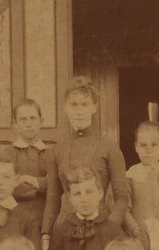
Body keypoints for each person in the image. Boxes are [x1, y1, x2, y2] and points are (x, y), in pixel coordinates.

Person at [42, 77, 134, 240]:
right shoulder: (56, 151)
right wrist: (46, 235)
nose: (79, 111)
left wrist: (108, 228)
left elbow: (121, 198)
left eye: (84, 104)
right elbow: (52, 199)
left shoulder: (110, 148)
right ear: (65, 107)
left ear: (94, 107)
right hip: (65, 228)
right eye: (74, 105)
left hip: (101, 225)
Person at [7, 98, 53, 234]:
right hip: (15, 220)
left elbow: (55, 185)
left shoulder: (51, 154)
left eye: (33, 118)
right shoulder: (8, 153)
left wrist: (30, 180)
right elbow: (8, 186)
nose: (28, 124)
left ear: (41, 121)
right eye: (23, 119)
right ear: (15, 124)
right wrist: (42, 185)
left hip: (44, 220)